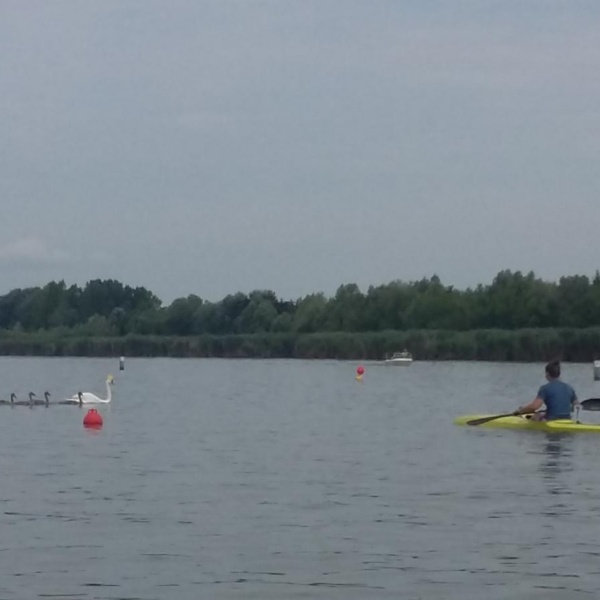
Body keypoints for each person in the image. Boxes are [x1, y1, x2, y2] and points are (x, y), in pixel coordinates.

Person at [514, 360, 578, 421]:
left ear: (547, 374)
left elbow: (534, 406)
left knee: (536, 416)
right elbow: (577, 405)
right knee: (543, 413)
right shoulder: (569, 388)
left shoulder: (545, 388)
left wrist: (521, 410)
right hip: (567, 419)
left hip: (551, 419)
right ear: (559, 374)